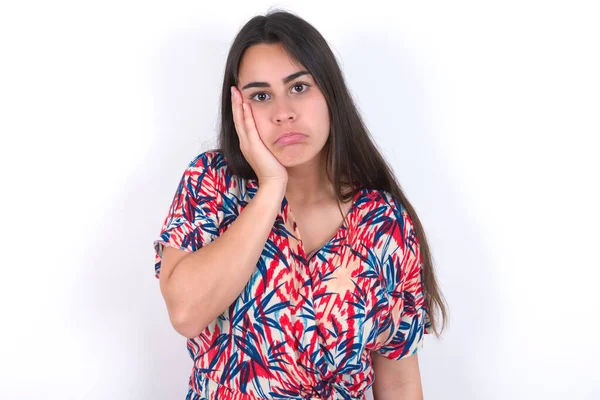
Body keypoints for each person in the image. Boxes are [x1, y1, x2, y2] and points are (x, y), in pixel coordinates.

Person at [153, 10, 448, 400]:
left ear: (329, 92)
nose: (283, 112)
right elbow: (186, 313)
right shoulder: (213, 183)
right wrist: (271, 187)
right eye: (261, 96)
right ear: (239, 107)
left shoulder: (383, 223)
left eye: (299, 87)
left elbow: (397, 378)